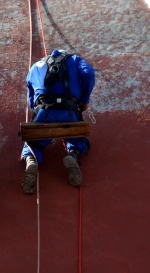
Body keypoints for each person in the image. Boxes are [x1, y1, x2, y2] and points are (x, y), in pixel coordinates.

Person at [21, 49, 95, 194]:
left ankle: (31, 159)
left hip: (44, 112)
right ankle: (72, 154)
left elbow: (32, 102)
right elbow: (89, 74)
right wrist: (84, 100)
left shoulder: (36, 66)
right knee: (77, 138)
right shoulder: (75, 60)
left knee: (33, 141)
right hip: (69, 112)